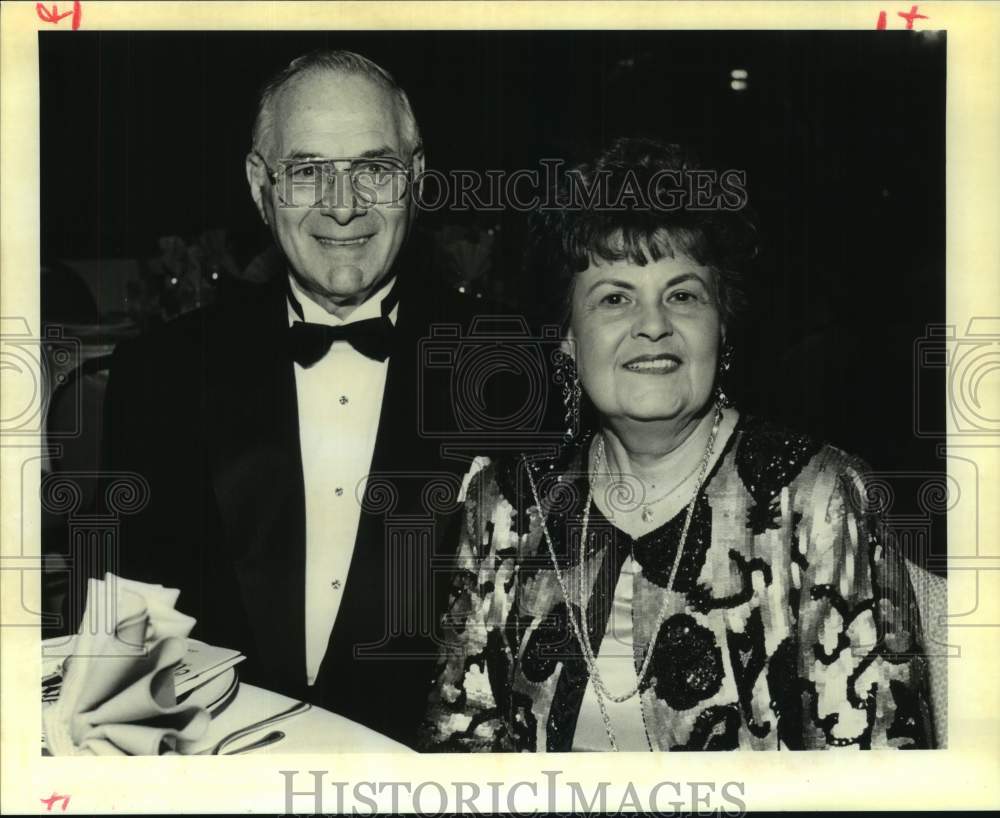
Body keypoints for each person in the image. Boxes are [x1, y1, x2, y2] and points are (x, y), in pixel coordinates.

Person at [420, 137, 936, 751]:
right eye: (615, 298)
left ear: (722, 327)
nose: (654, 324)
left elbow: (872, 775)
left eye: (683, 295)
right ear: (566, 338)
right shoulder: (505, 501)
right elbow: (460, 737)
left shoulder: (817, 498)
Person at [101, 50, 474, 749]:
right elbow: (126, 652)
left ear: (416, 179)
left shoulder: (508, 371)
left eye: (374, 168)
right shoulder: (159, 375)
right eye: (307, 172)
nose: (343, 204)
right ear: (259, 185)